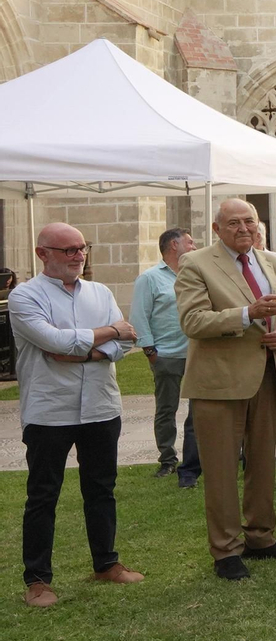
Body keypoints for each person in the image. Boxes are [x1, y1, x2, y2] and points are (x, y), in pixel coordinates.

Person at [176, 199, 276, 581]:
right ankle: (226, 551)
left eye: (250, 221)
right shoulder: (196, 263)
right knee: (220, 470)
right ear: (217, 229)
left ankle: (261, 537)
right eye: (234, 223)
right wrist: (249, 314)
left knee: (263, 463)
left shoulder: (272, 262)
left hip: (270, 375)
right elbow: (193, 321)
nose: (244, 229)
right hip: (219, 383)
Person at [11, 223, 142, 607]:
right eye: (67, 250)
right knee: (43, 495)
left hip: (101, 407)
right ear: (42, 254)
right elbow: (52, 341)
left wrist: (88, 348)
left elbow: (125, 341)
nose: (77, 256)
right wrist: (108, 332)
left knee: (101, 488)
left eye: (81, 248)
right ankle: (37, 580)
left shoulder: (100, 292)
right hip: (49, 410)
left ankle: (106, 563)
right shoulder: (25, 297)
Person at [131, 227, 201, 487]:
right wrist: (151, 353)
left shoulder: (195, 275)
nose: (194, 247)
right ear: (174, 245)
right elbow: (139, 316)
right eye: (190, 242)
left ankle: (195, 460)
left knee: (199, 411)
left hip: (196, 354)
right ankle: (168, 459)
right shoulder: (149, 278)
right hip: (167, 355)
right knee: (167, 409)